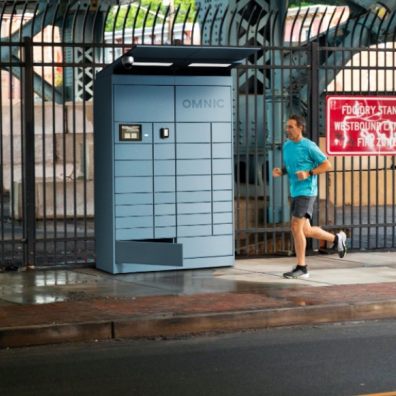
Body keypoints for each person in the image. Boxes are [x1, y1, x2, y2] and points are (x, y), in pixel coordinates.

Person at [272, 114, 347, 279]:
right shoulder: (287, 146)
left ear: (300, 127)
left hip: (306, 191)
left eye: (291, 126)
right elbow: (292, 166)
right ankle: (336, 239)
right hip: (295, 191)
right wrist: (282, 171)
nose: (287, 129)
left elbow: (327, 164)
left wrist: (309, 173)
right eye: (287, 126)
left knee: (295, 227)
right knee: (305, 230)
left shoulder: (309, 146)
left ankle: (302, 267)